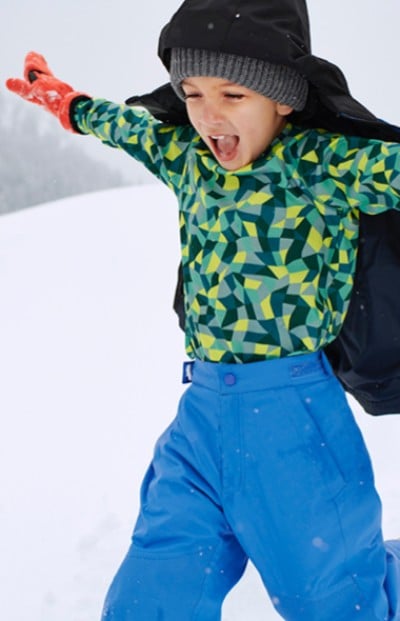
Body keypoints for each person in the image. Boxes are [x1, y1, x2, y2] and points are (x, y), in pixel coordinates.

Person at [6, 1, 400, 619]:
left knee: (336, 600)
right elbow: (127, 126)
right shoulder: (187, 156)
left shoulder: (323, 165)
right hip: (201, 418)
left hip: (295, 420)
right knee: (151, 597)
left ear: (284, 99)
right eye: (190, 92)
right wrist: (67, 103)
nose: (207, 115)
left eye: (233, 93)